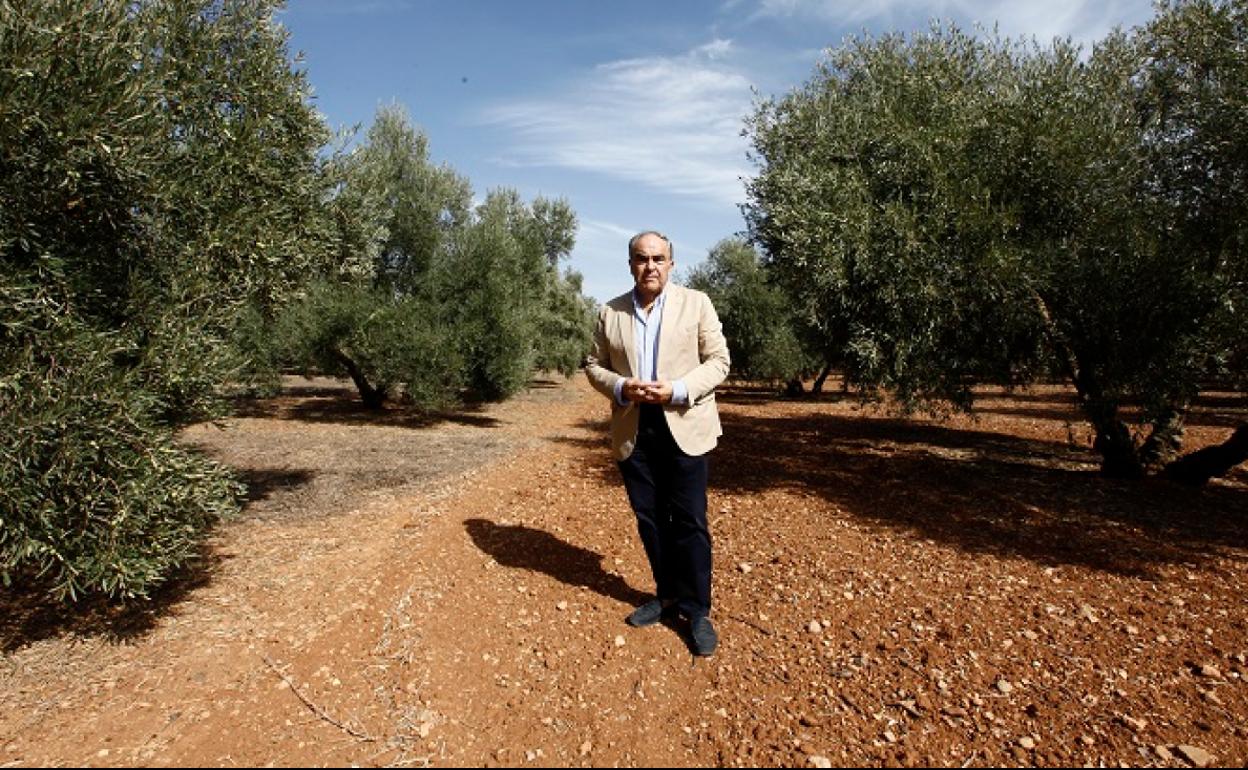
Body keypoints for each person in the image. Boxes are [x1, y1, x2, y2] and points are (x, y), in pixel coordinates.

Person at [584, 230, 730, 656]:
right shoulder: (610, 312)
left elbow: (719, 360)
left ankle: (697, 609)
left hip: (684, 423)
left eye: (658, 258)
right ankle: (666, 596)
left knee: (690, 521)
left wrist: (679, 389)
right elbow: (593, 365)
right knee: (649, 518)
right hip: (634, 428)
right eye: (641, 259)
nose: (650, 266)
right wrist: (621, 387)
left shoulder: (696, 303)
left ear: (671, 263)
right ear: (630, 264)